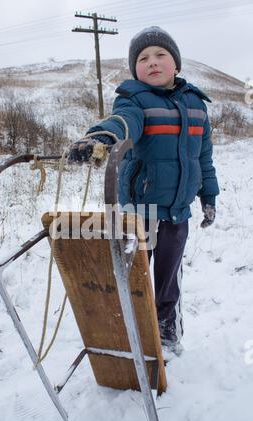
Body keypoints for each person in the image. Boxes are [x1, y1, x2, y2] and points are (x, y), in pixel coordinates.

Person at [67, 26, 220, 355]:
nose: (152, 62)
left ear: (175, 64)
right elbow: (122, 122)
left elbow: (204, 157)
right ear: (135, 68)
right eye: (143, 58)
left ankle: (167, 335)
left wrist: (209, 197)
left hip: (178, 212)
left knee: (168, 281)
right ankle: (129, 333)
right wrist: (100, 138)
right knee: (133, 276)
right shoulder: (134, 101)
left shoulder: (197, 105)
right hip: (141, 213)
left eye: (160, 55)